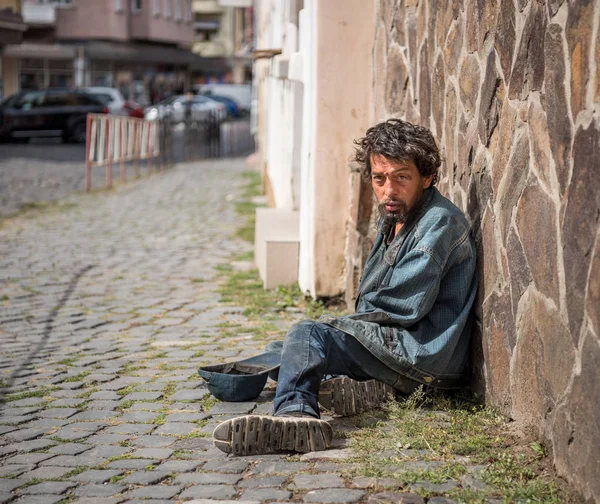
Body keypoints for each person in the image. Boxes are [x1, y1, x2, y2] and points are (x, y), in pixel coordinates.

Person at [212, 118, 478, 456]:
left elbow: (399, 308)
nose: (388, 190)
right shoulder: (397, 216)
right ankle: (370, 387)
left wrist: (329, 329)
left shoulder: (438, 223)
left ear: (427, 177)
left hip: (421, 356)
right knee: (294, 346)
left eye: (401, 177)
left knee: (307, 338)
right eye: (379, 179)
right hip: (401, 349)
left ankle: (296, 414)